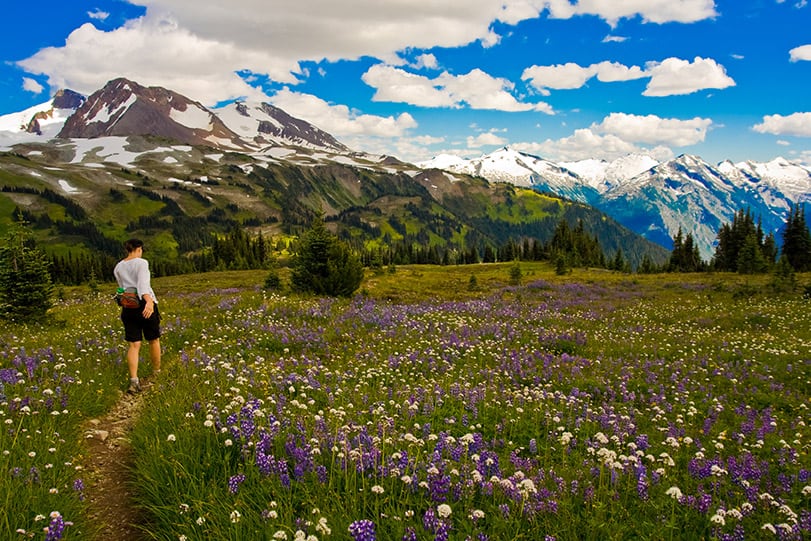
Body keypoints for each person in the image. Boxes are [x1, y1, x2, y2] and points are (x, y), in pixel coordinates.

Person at [113, 238, 161, 393]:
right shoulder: (142, 263)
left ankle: (134, 380)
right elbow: (142, 285)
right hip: (143, 304)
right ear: (139, 249)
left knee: (134, 344)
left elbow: (121, 289)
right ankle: (156, 374)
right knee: (153, 339)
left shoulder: (118, 267)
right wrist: (149, 302)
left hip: (128, 306)